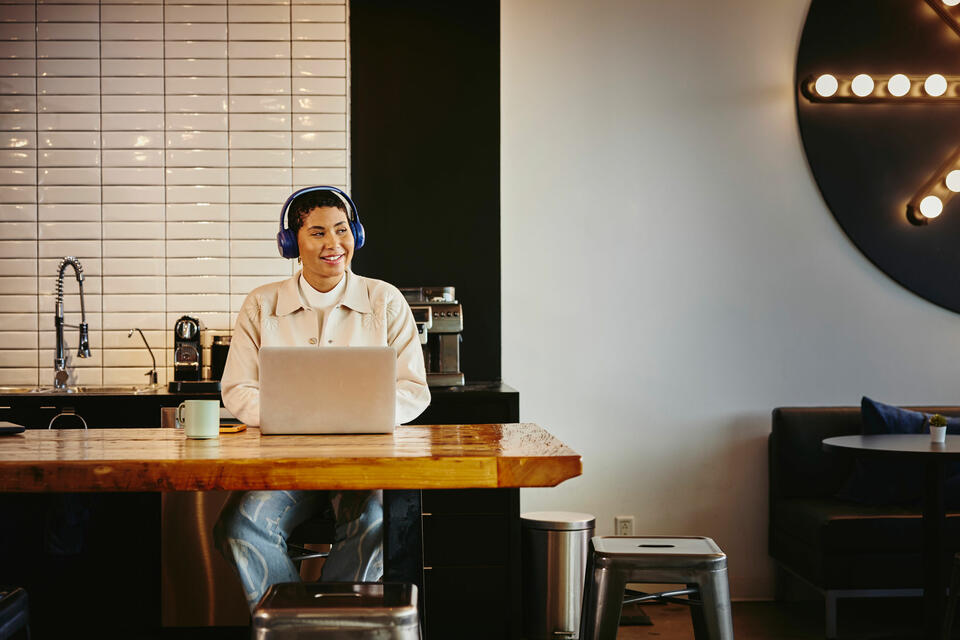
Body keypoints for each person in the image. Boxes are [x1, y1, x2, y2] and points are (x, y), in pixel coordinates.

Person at [214, 186, 430, 610]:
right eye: (317, 233)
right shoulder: (261, 304)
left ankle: (332, 620)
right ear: (291, 243)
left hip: (364, 466)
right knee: (239, 527)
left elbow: (412, 389)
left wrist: (362, 416)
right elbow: (237, 389)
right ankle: (297, 624)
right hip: (284, 465)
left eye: (342, 230)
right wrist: (293, 418)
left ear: (356, 235)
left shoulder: (385, 300)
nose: (334, 244)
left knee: (376, 523)